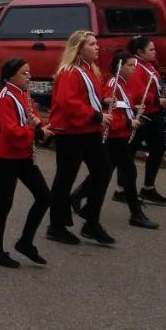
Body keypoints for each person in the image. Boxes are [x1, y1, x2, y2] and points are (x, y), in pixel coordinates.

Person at [70, 50, 158, 230]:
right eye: (129, 65)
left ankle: (79, 197)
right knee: (127, 171)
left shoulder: (124, 83)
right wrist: (128, 121)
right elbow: (110, 112)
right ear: (120, 66)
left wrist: (132, 109)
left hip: (120, 135)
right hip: (113, 136)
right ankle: (135, 214)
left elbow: (120, 106)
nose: (133, 69)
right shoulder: (113, 83)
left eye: (134, 65)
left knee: (107, 171)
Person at [46, 30, 114, 246]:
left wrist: (103, 101)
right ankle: (56, 226)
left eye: (97, 43)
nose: (97, 47)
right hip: (71, 132)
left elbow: (89, 96)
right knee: (65, 178)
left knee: (103, 170)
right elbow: (69, 103)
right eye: (92, 44)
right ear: (79, 48)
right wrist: (96, 114)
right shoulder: (69, 72)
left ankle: (91, 220)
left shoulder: (90, 70)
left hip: (89, 130)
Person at [0, 58, 52, 268]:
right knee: (4, 204)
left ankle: (26, 242)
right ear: (11, 75)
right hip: (6, 157)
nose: (29, 77)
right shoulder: (5, 97)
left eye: (29, 72)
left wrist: (40, 124)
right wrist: (36, 132)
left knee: (44, 197)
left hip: (23, 155)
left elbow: (30, 116)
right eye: (24, 73)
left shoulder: (23, 93)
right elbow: (11, 132)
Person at [126, 36, 166, 206]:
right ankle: (121, 189)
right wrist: (156, 100)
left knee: (158, 149)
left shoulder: (149, 65)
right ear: (139, 51)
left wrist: (163, 89)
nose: (155, 52)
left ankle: (148, 187)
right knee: (126, 154)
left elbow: (152, 84)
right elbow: (137, 93)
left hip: (154, 114)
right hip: (145, 115)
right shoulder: (137, 66)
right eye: (151, 49)